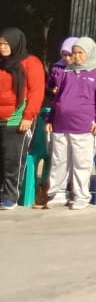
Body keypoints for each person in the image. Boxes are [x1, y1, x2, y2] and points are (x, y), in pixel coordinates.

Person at [45, 37, 96, 209]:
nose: (77, 56)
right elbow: (57, 97)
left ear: (89, 52)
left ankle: (81, 195)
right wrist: (51, 118)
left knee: (82, 160)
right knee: (59, 159)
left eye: (81, 53)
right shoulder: (66, 71)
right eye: (74, 53)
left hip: (84, 124)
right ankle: (58, 192)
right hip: (61, 123)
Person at [0, 27, 44, 209]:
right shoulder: (2, 63)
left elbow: (36, 91)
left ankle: (11, 195)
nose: (2, 47)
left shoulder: (30, 63)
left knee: (13, 159)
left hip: (17, 119)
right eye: (0, 44)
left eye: (6, 43)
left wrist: (28, 116)